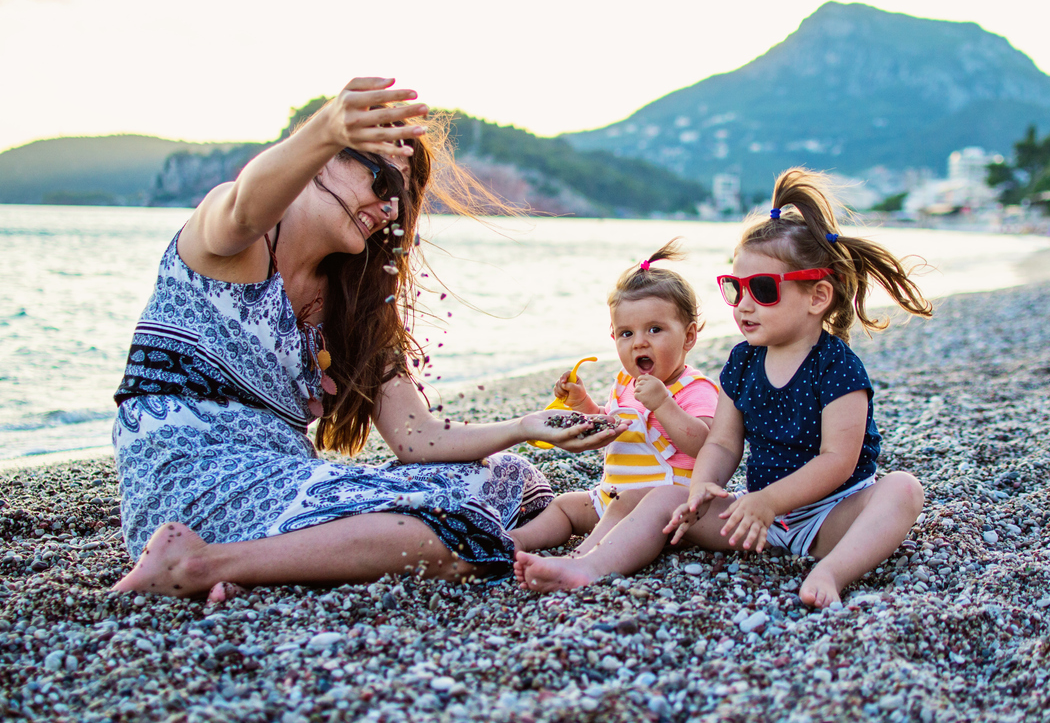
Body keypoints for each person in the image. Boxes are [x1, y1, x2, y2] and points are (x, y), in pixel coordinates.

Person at [110, 77, 620, 600]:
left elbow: (415, 437)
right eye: (383, 182)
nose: (393, 209)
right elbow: (243, 204)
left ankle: (261, 565)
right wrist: (327, 127)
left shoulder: (353, 299)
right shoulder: (236, 239)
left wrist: (524, 425)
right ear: (322, 160)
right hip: (187, 479)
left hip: (283, 476)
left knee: (513, 479)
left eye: (404, 197)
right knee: (446, 535)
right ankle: (196, 562)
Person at [516, 168, 932, 608]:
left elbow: (837, 461)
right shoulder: (744, 361)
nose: (745, 305)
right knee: (663, 497)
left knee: (902, 489)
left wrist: (769, 501)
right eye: (736, 289)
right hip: (759, 518)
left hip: (832, 516)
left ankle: (833, 570)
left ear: (817, 297)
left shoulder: (837, 368)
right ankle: (587, 568)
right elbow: (722, 443)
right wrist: (702, 489)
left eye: (764, 290)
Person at [509, 240, 719, 554]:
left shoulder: (694, 389)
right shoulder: (624, 384)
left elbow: (705, 446)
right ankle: (515, 542)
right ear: (613, 336)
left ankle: (581, 558)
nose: (639, 343)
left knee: (625, 506)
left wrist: (663, 404)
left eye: (655, 329)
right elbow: (613, 432)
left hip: (665, 509)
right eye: (627, 333)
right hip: (612, 495)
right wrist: (582, 405)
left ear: (688, 336)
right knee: (565, 505)